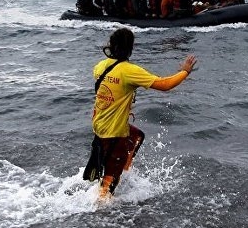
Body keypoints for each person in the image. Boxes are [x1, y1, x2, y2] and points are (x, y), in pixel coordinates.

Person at [83, 28, 197, 199]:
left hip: (100, 123)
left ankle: (124, 170)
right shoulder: (129, 71)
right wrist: (185, 71)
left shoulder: (100, 66)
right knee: (110, 180)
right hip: (114, 130)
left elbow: (112, 88)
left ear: (111, 45)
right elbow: (164, 84)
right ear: (130, 48)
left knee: (137, 137)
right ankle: (102, 211)